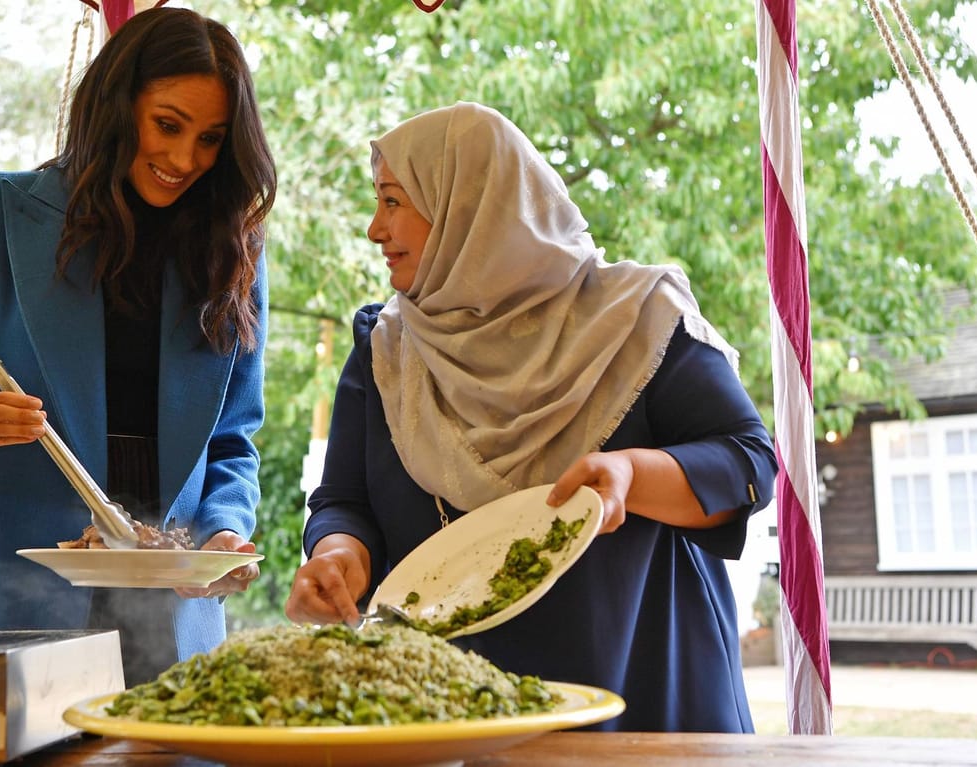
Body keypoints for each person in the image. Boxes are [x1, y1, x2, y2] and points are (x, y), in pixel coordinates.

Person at [284, 102, 778, 733]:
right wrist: (339, 552)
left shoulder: (636, 319)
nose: (374, 230)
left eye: (392, 202)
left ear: (471, 207)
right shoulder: (387, 350)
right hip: (451, 712)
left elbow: (749, 464)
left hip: (641, 694)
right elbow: (344, 499)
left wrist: (632, 472)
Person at [0, 6, 275, 685]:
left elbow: (232, 441)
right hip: (3, 612)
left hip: (171, 627)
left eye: (210, 139)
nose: (185, 160)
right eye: (168, 125)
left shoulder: (233, 251)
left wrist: (222, 531)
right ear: (118, 107)